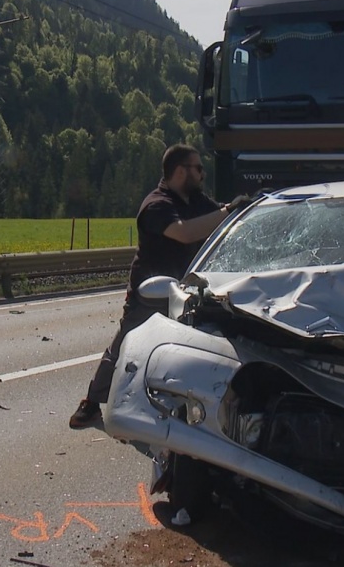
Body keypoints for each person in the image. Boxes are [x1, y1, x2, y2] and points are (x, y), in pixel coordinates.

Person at [69, 144, 252, 428]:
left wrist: (246, 208)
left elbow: (217, 219)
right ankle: (92, 403)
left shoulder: (195, 200)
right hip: (150, 293)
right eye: (198, 168)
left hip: (187, 293)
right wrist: (228, 210)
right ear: (180, 172)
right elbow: (184, 232)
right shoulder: (156, 205)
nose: (203, 174)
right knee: (125, 346)